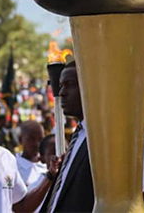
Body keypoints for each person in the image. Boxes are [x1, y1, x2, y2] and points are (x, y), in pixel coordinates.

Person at [40, 61, 95, 212]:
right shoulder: (78, 137)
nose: (62, 92)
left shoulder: (101, 139)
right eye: (60, 86)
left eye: (69, 84)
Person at [16, 120, 47, 186]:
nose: (37, 144)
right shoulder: (14, 167)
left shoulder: (48, 164)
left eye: (40, 139)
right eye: (31, 139)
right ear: (20, 140)